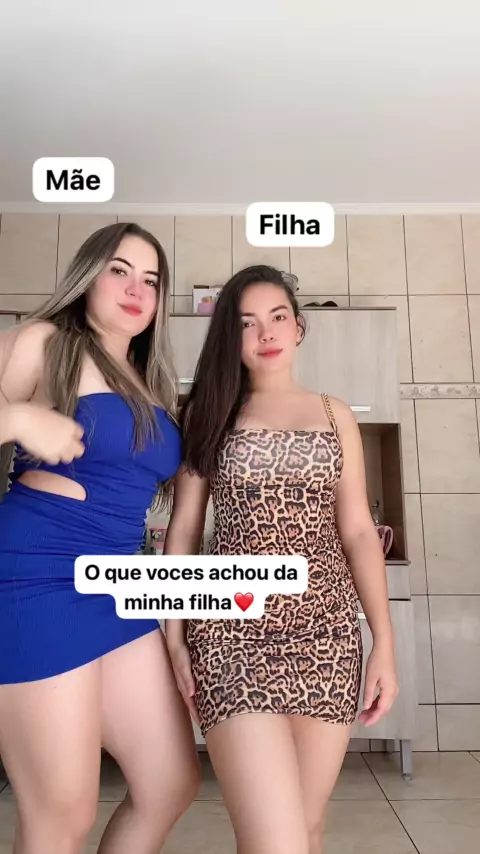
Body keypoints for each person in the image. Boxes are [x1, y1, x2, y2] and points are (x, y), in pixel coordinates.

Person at [164, 264, 399, 854]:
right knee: (276, 840)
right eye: (246, 323)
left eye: (277, 317)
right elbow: (185, 530)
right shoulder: (206, 415)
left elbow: (358, 532)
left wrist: (384, 643)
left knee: (308, 828)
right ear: (229, 336)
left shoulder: (336, 415)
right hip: (231, 635)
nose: (265, 332)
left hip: (328, 634)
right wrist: (174, 635)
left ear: (299, 327)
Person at [0, 223, 200, 854]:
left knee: (170, 784)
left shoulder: (149, 382)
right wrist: (17, 417)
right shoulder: (45, 342)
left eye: (151, 279)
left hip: (118, 585)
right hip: (37, 578)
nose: (137, 289)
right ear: (88, 276)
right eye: (119, 270)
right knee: (62, 814)